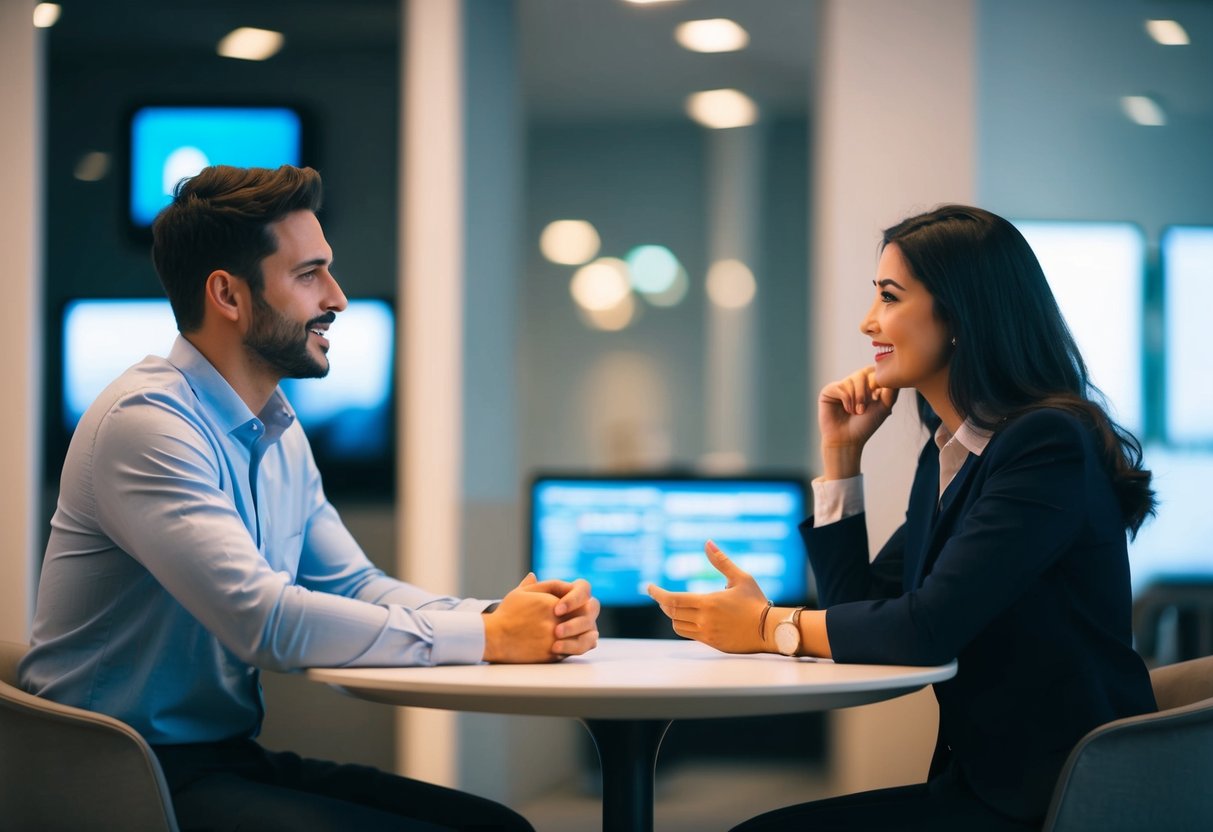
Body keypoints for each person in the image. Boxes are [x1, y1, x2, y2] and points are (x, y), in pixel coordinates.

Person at [20, 164, 600, 832]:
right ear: (228, 295)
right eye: (309, 274)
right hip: (113, 776)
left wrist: (509, 616)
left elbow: (354, 583)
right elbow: (264, 622)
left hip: (218, 758)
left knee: (500, 828)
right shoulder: (146, 423)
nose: (338, 297)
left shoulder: (274, 423)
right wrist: (489, 636)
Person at [648, 205, 1157, 831]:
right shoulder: (950, 453)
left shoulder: (1045, 444)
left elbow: (925, 629)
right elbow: (861, 604)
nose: (869, 323)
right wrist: (841, 458)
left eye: (889, 298)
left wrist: (767, 625)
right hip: (988, 789)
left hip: (1057, 802)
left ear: (961, 316)